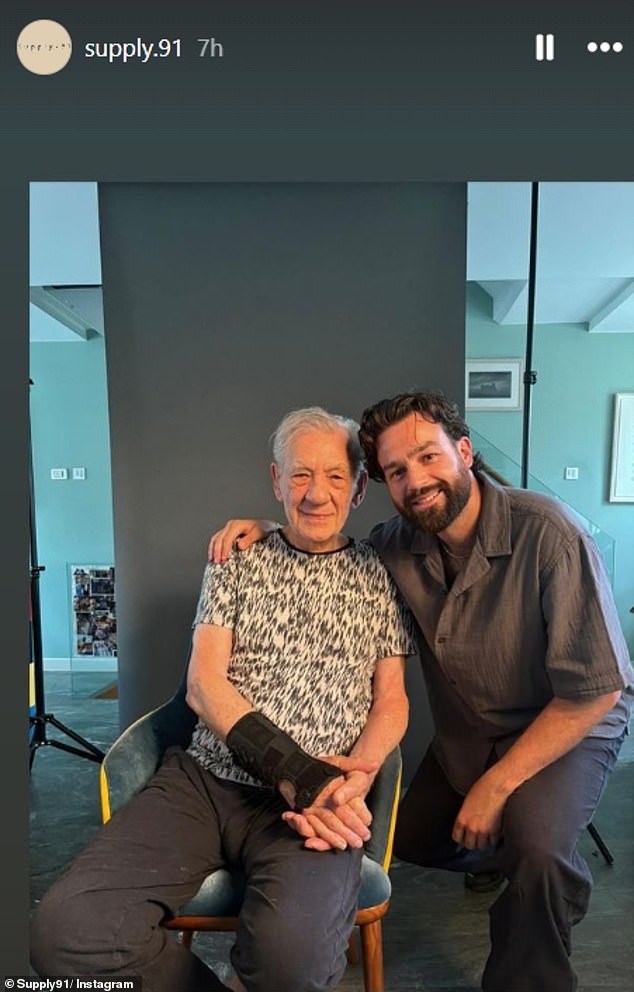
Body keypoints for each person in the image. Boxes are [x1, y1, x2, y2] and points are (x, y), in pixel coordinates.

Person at [207, 389, 634, 992]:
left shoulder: (552, 535)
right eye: (397, 471)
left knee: (537, 850)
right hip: (474, 728)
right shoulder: (393, 545)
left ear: (463, 451)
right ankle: (523, 859)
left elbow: (594, 692)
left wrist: (496, 786)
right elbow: (323, 541)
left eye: (429, 458)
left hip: (567, 723)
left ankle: (539, 910)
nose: (416, 480)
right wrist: (273, 528)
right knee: (409, 837)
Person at [30, 406, 416, 992]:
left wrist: (352, 778)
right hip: (205, 785)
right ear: (276, 481)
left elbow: (393, 701)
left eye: (336, 476)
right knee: (62, 935)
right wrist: (296, 772)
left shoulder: (382, 574)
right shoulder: (236, 560)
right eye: (300, 474)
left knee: (293, 966)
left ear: (361, 488)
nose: (316, 494)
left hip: (320, 803)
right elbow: (203, 685)